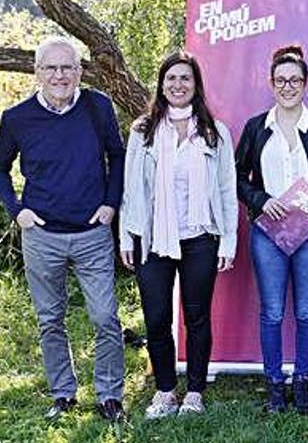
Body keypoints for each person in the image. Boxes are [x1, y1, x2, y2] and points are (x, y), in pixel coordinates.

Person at [0, 36, 127, 422]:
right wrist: (17, 210)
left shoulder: (98, 107)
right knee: (50, 319)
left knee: (105, 317)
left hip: (92, 233)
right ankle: (63, 394)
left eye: (67, 67)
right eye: (51, 68)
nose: (60, 75)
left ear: (80, 71)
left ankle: (110, 395)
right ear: (37, 73)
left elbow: (117, 155)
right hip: (41, 235)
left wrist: (111, 203)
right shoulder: (17, 118)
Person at [119, 50, 238, 418]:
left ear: (196, 85)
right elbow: (131, 188)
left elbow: (226, 190)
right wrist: (126, 236)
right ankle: (166, 390)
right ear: (162, 84)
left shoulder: (215, 132)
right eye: (171, 78)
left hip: (201, 237)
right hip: (153, 238)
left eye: (185, 78)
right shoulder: (143, 131)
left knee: (196, 316)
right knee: (156, 318)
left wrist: (229, 240)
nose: (178, 84)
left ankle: (195, 392)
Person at [235, 45, 308, 414]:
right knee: (273, 313)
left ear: (306, 83)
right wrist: (261, 199)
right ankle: (275, 388)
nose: (287, 86)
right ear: (271, 83)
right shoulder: (255, 128)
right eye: (281, 80)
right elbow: (235, 178)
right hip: (268, 234)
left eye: (295, 80)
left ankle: (303, 384)